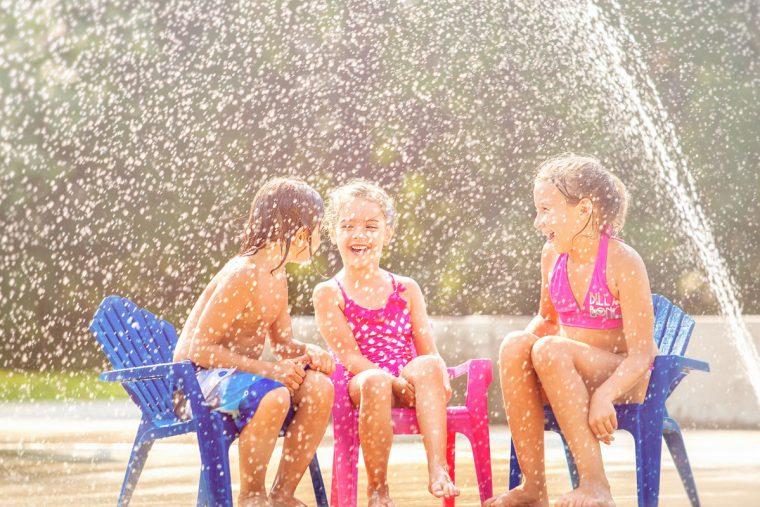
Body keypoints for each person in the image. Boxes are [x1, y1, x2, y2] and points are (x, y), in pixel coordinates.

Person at [486, 154, 658, 507]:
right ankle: (534, 489)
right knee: (515, 344)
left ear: (583, 211)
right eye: (537, 210)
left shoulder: (622, 262)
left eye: (546, 210)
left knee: (551, 349)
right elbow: (546, 320)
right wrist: (518, 353)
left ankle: (597, 485)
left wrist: (605, 394)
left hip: (622, 377)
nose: (538, 221)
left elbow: (643, 354)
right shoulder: (552, 255)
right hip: (567, 374)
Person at [173, 177, 335, 507]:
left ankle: (282, 493)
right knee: (274, 396)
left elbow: (282, 342)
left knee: (320, 389)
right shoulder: (243, 273)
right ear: (300, 231)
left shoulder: (276, 275)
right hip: (195, 384)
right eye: (318, 230)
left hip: (240, 380)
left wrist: (307, 352)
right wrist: (267, 371)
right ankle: (253, 496)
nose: (319, 240)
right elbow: (195, 350)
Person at [312, 179, 460, 507]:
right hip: (362, 382)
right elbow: (348, 356)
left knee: (429, 365)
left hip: (408, 377)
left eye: (370, 226)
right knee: (376, 381)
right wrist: (391, 380)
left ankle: (438, 467)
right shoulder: (329, 292)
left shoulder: (406, 288)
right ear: (334, 233)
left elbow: (427, 349)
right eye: (347, 226)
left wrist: (436, 373)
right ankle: (378, 488)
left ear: (388, 233)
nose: (359, 235)